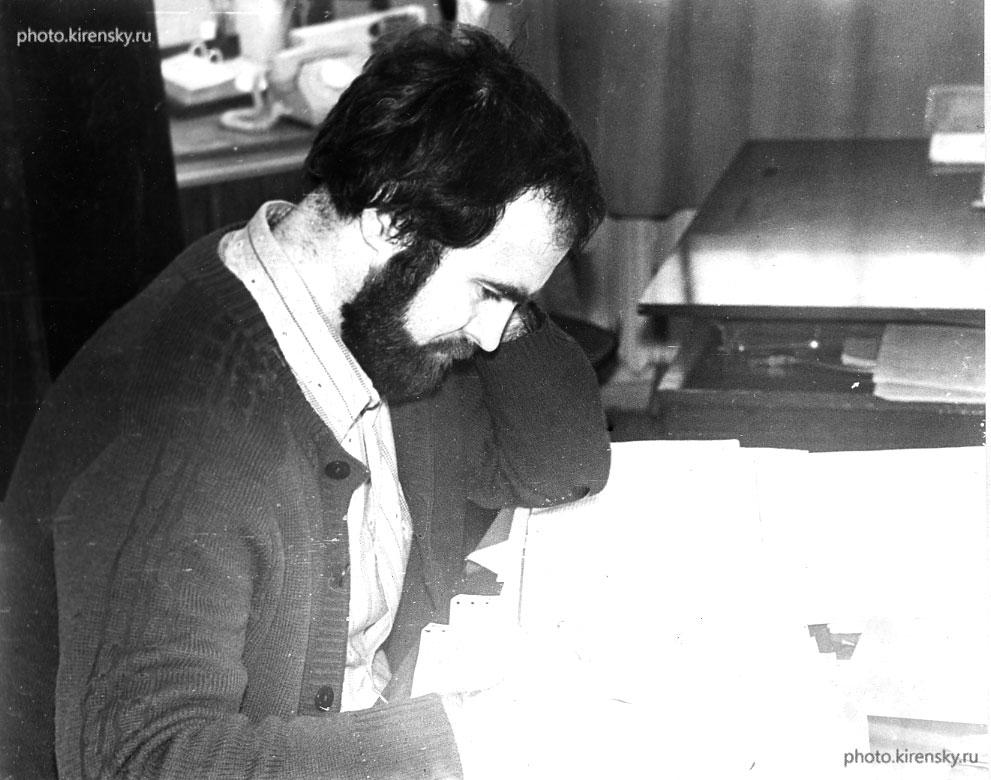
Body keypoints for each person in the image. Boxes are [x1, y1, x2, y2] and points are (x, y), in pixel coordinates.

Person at [5, 23, 612, 780]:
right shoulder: (190, 424)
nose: (493, 338)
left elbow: (558, 464)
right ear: (390, 221)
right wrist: (456, 739)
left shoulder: (374, 322)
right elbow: (142, 760)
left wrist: (508, 286)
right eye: (490, 292)